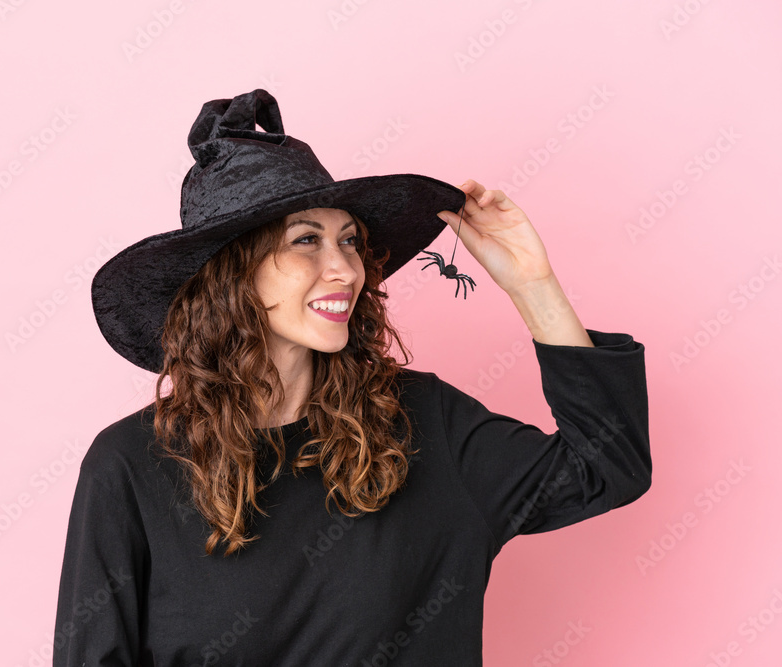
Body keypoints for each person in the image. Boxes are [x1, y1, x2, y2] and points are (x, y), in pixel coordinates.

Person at [51, 89, 651, 666]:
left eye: (350, 241)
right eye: (306, 241)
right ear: (232, 274)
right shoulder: (131, 466)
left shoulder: (425, 424)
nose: (345, 268)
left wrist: (531, 284)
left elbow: (608, 466)